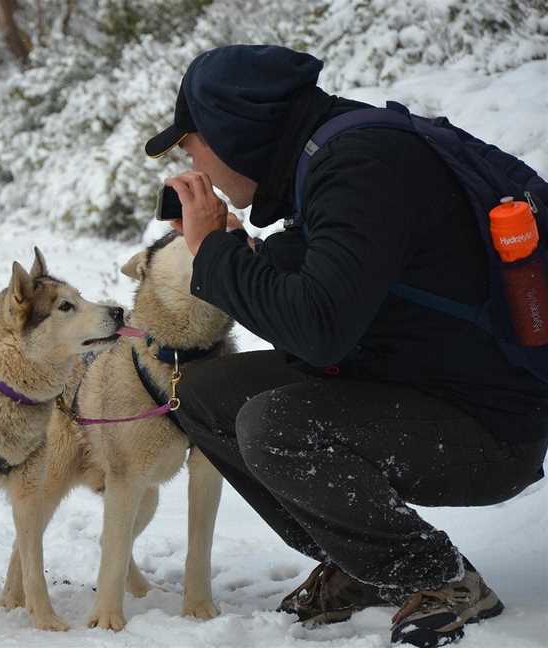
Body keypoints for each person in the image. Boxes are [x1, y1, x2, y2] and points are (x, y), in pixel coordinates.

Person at [145, 44, 548, 648]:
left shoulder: (363, 165)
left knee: (275, 424)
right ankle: (361, 561)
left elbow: (319, 326)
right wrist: (238, 250)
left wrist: (216, 254)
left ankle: (438, 578)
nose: (190, 159)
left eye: (191, 142)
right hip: (416, 386)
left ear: (233, 130)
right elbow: (326, 296)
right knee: (204, 391)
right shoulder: (327, 161)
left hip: (489, 426)